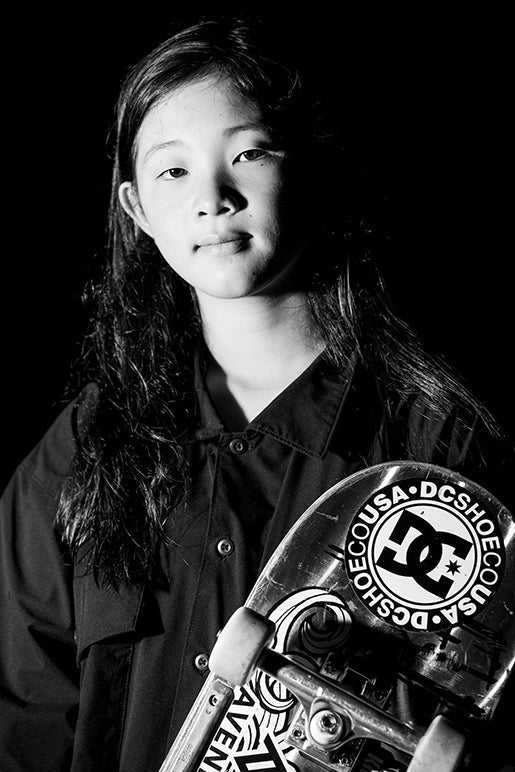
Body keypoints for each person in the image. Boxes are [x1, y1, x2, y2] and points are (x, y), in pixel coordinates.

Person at [1, 13, 513, 772]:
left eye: (248, 152)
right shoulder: (80, 454)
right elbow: (27, 724)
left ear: (310, 169)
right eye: (173, 170)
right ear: (136, 209)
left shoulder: (435, 446)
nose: (212, 197)